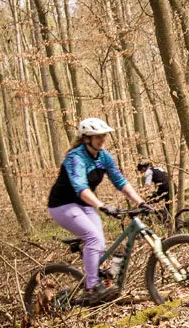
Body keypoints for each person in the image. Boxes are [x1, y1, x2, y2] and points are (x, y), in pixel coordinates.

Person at [47, 118, 149, 305]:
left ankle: (95, 279)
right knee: (94, 238)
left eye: (103, 136)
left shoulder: (104, 157)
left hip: (84, 205)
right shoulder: (75, 158)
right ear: (86, 138)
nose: (102, 139)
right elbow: (81, 187)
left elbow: (120, 182)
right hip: (62, 205)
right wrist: (101, 205)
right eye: (97, 137)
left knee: (99, 242)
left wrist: (141, 202)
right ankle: (92, 287)